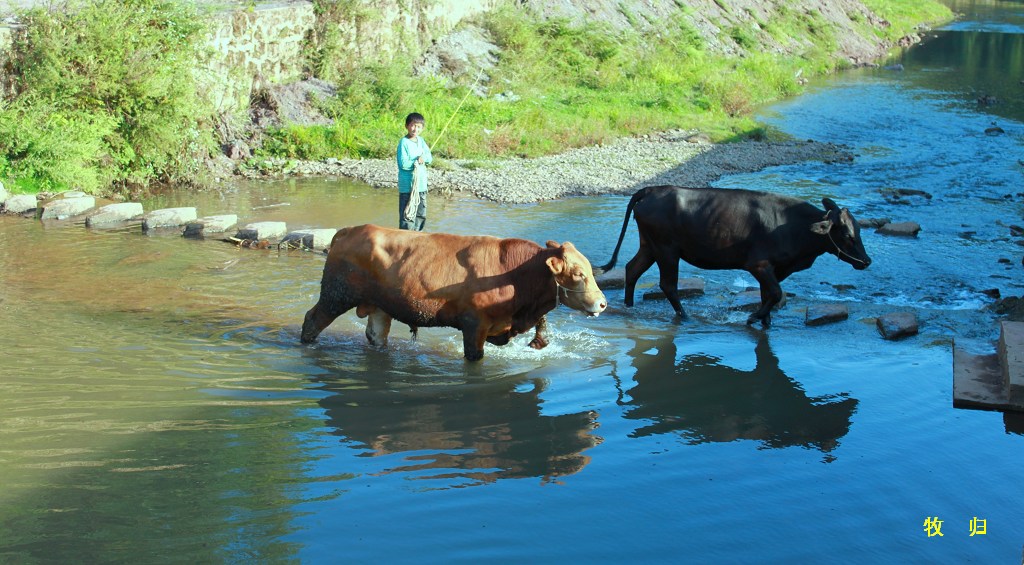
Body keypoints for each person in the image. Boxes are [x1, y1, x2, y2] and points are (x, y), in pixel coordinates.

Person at [396, 112, 432, 231]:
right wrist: (416, 161)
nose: (415, 129)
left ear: (422, 128)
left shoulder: (421, 141)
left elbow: (429, 158)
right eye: (412, 125)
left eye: (418, 126)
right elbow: (403, 164)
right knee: (407, 215)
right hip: (408, 188)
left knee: (421, 214)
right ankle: (404, 240)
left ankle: (417, 238)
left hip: (421, 186)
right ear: (407, 126)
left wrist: (424, 159)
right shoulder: (404, 142)